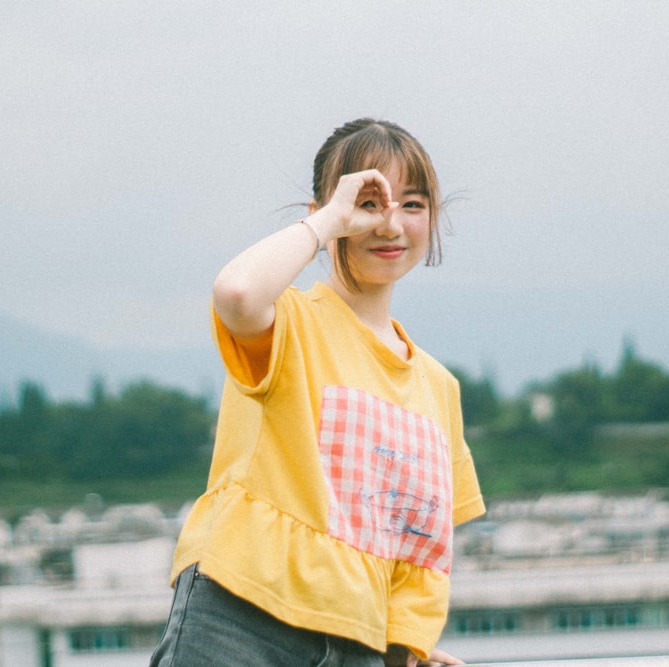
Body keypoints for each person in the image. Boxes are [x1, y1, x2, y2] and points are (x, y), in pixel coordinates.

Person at [148, 118, 485, 667]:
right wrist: (330, 220)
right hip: (242, 613)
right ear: (324, 214)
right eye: (370, 201)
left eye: (414, 204)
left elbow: (420, 554)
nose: (390, 223)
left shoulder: (438, 387)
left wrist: (404, 653)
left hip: (358, 645)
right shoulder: (291, 321)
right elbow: (235, 292)